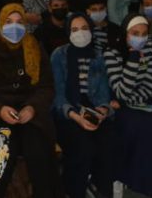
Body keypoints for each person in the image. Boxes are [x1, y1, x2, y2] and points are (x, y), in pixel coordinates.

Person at [0, 3, 59, 198]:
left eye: (20, 22)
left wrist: (32, 107)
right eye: (9, 22)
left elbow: (46, 86)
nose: (14, 27)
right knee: (2, 154)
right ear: (1, 24)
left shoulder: (35, 48)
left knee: (39, 152)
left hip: (31, 115)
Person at [104, 16, 152, 197]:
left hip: (141, 102)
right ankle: (123, 177)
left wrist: (132, 100)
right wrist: (134, 58)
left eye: (144, 34)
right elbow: (121, 91)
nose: (140, 38)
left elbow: (149, 86)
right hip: (119, 106)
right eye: (135, 33)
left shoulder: (151, 49)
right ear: (125, 33)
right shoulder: (112, 52)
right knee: (136, 127)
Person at [50, 13, 115, 198]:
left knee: (108, 141)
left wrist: (103, 110)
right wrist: (75, 116)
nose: (81, 33)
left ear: (91, 30)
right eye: (75, 29)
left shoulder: (98, 56)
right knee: (82, 146)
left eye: (85, 28)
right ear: (68, 32)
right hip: (67, 112)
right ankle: (73, 191)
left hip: (92, 109)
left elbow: (103, 94)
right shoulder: (59, 55)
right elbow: (57, 96)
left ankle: (99, 189)